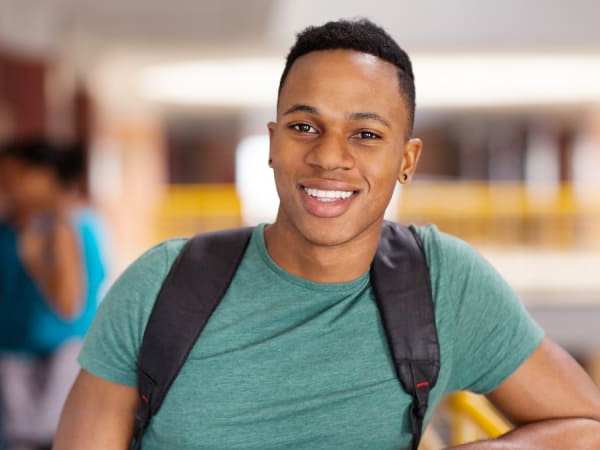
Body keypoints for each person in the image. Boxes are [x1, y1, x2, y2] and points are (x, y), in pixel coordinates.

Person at [54, 19, 600, 449]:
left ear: (406, 159)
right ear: (272, 142)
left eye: (365, 134)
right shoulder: (161, 285)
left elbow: (586, 426)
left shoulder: (444, 285)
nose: (328, 156)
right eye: (303, 127)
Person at [0, 138, 107, 450]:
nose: (12, 186)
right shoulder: (1, 231)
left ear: (48, 178)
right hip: (13, 356)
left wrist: (38, 263)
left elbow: (68, 304)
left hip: (60, 358)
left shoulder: (69, 228)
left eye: (21, 176)